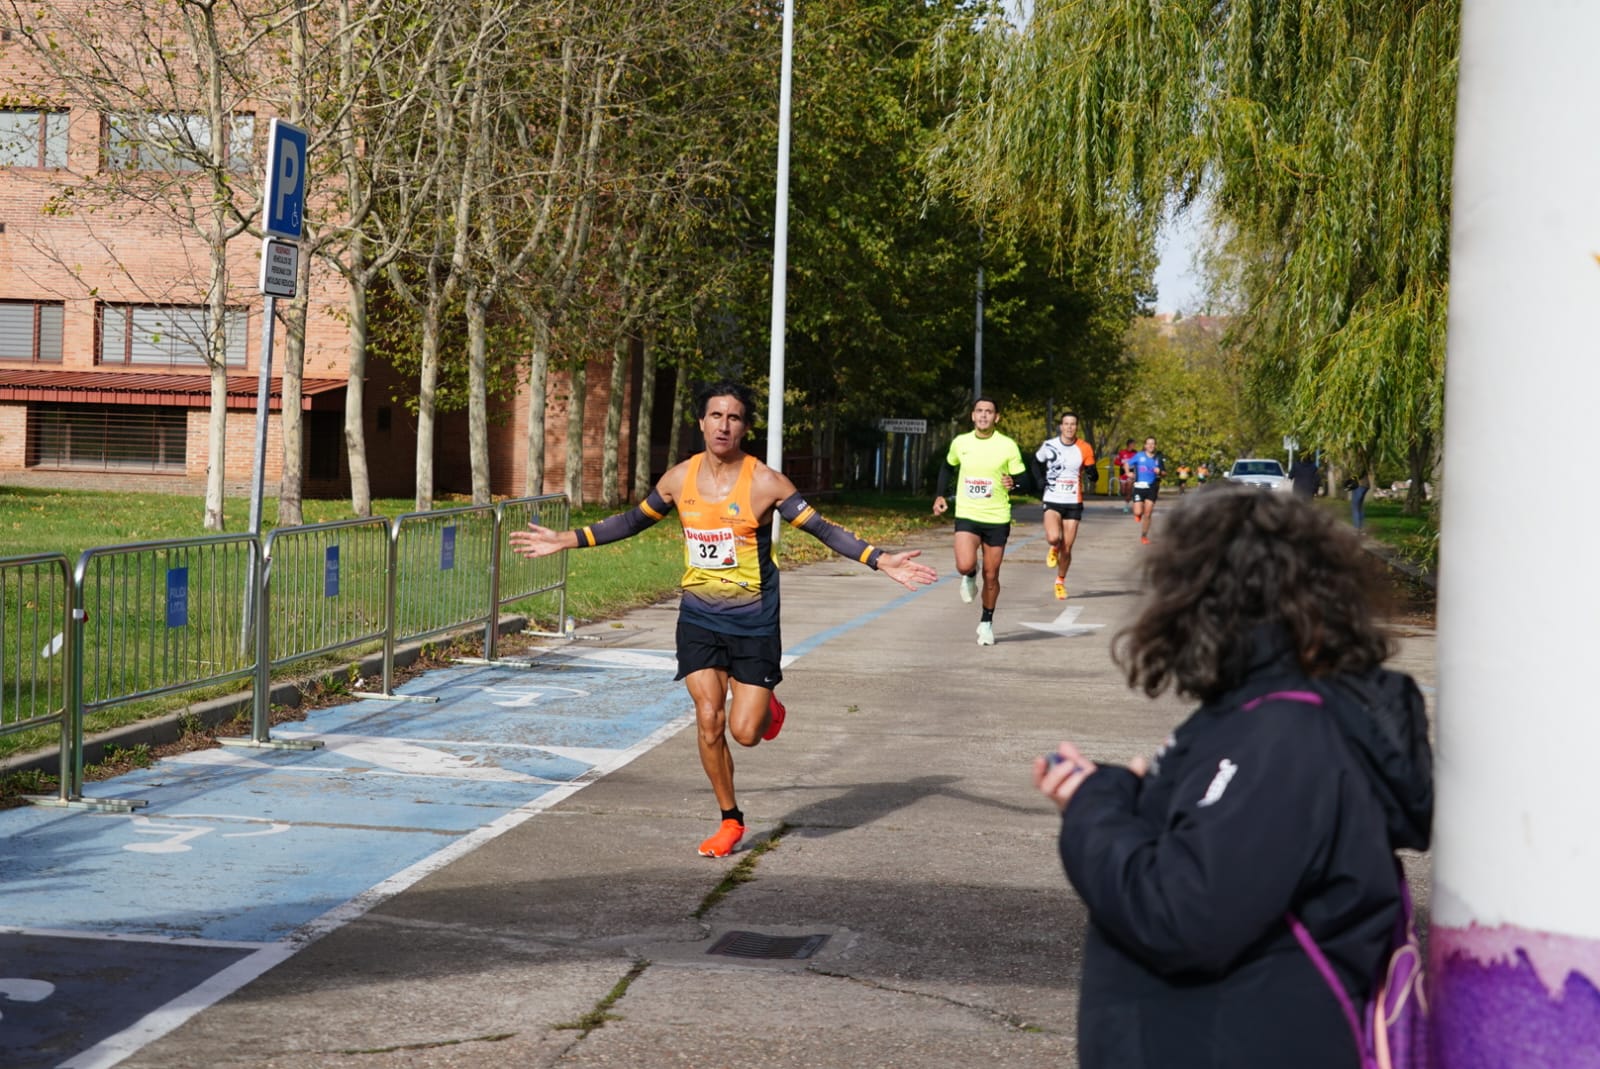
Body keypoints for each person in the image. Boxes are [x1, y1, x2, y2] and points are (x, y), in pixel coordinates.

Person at [1033, 485, 1432, 1069]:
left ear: (1209, 600)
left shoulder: (1283, 735)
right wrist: (1142, 799)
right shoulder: (1272, 715)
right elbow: (1231, 845)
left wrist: (1095, 806)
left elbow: (1184, 914)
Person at [509, 381, 936, 858]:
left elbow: (822, 529)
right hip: (699, 618)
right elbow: (632, 520)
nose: (723, 425)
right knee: (708, 718)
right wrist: (567, 539)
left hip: (754, 622)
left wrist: (880, 560)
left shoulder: (766, 482)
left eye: (733, 418)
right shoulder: (678, 479)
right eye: (716, 416)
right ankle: (730, 819)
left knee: (745, 733)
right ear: (702, 422)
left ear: (744, 427)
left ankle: (768, 709)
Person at [933, 397, 1027, 646]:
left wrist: (1014, 483)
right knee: (965, 564)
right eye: (979, 411)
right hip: (967, 514)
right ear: (973, 416)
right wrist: (940, 495)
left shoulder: (1007, 446)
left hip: (997, 517)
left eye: (989, 412)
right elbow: (947, 467)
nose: (984, 416)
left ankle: (986, 622)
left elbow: (1025, 479)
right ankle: (969, 575)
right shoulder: (960, 443)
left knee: (992, 575)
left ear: (997, 417)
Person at [1031, 411, 1096, 600]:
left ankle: (1060, 581)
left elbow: (1091, 469)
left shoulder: (1084, 447)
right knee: (1053, 537)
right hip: (1052, 497)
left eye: (1073, 424)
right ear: (1061, 426)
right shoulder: (1049, 445)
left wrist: (1093, 474)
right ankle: (1053, 547)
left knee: (1067, 547)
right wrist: (1039, 480)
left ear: (1077, 427)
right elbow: (1035, 462)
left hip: (1073, 501)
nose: (1069, 427)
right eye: (1066, 424)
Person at [1123, 436, 1165, 545]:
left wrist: (1159, 471)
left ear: (1155, 446)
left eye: (1153, 443)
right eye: (1148, 443)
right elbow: (1127, 464)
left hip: (1152, 487)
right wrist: (1128, 473)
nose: (1150, 445)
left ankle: (1144, 536)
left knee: (1148, 513)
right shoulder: (1139, 455)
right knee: (1138, 512)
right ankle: (1137, 513)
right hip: (1139, 486)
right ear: (1145, 446)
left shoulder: (1158, 458)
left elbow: (1165, 473)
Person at [1114, 439, 1138, 512]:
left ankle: (1126, 505)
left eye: (1134, 445)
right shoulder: (1122, 453)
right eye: (1132, 444)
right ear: (1128, 445)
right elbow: (1116, 462)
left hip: (1131, 474)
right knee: (1123, 491)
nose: (1133, 446)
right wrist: (1123, 464)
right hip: (1123, 474)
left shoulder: (1135, 453)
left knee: (1129, 489)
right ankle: (1122, 491)